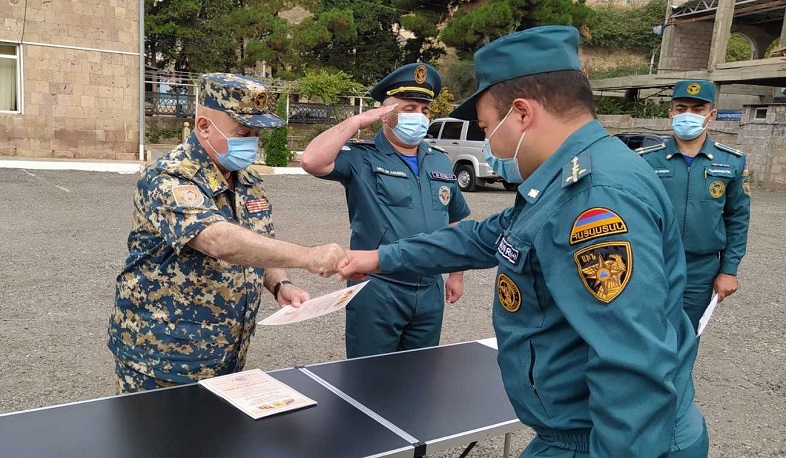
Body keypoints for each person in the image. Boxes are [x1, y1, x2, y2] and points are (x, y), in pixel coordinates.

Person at [339, 27, 708, 457]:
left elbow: (632, 365)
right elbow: (481, 238)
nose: (488, 141)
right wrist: (377, 258)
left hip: (603, 443)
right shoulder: (566, 179)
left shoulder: (596, 198)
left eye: (486, 127)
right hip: (576, 433)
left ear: (521, 113)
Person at [108, 73, 346, 393]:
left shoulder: (245, 178)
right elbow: (218, 240)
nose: (252, 142)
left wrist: (280, 284)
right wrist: (308, 256)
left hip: (225, 356)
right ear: (204, 126)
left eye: (257, 134)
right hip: (163, 359)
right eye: (243, 133)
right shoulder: (168, 176)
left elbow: (260, 243)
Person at [301, 63, 471, 358]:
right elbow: (311, 161)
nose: (419, 117)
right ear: (384, 114)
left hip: (428, 290)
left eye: (424, 110)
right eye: (409, 109)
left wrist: (456, 274)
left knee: (420, 374)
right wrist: (357, 121)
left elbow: (454, 219)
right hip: (378, 288)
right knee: (370, 376)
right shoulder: (362, 157)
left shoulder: (439, 160)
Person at [637, 80, 750, 333]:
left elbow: (738, 218)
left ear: (712, 114)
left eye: (698, 109)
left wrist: (729, 270)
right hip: (652, 262)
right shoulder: (646, 159)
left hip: (700, 269)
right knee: (645, 333)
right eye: (681, 108)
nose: (688, 114)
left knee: (687, 335)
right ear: (671, 112)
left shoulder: (731, 161)